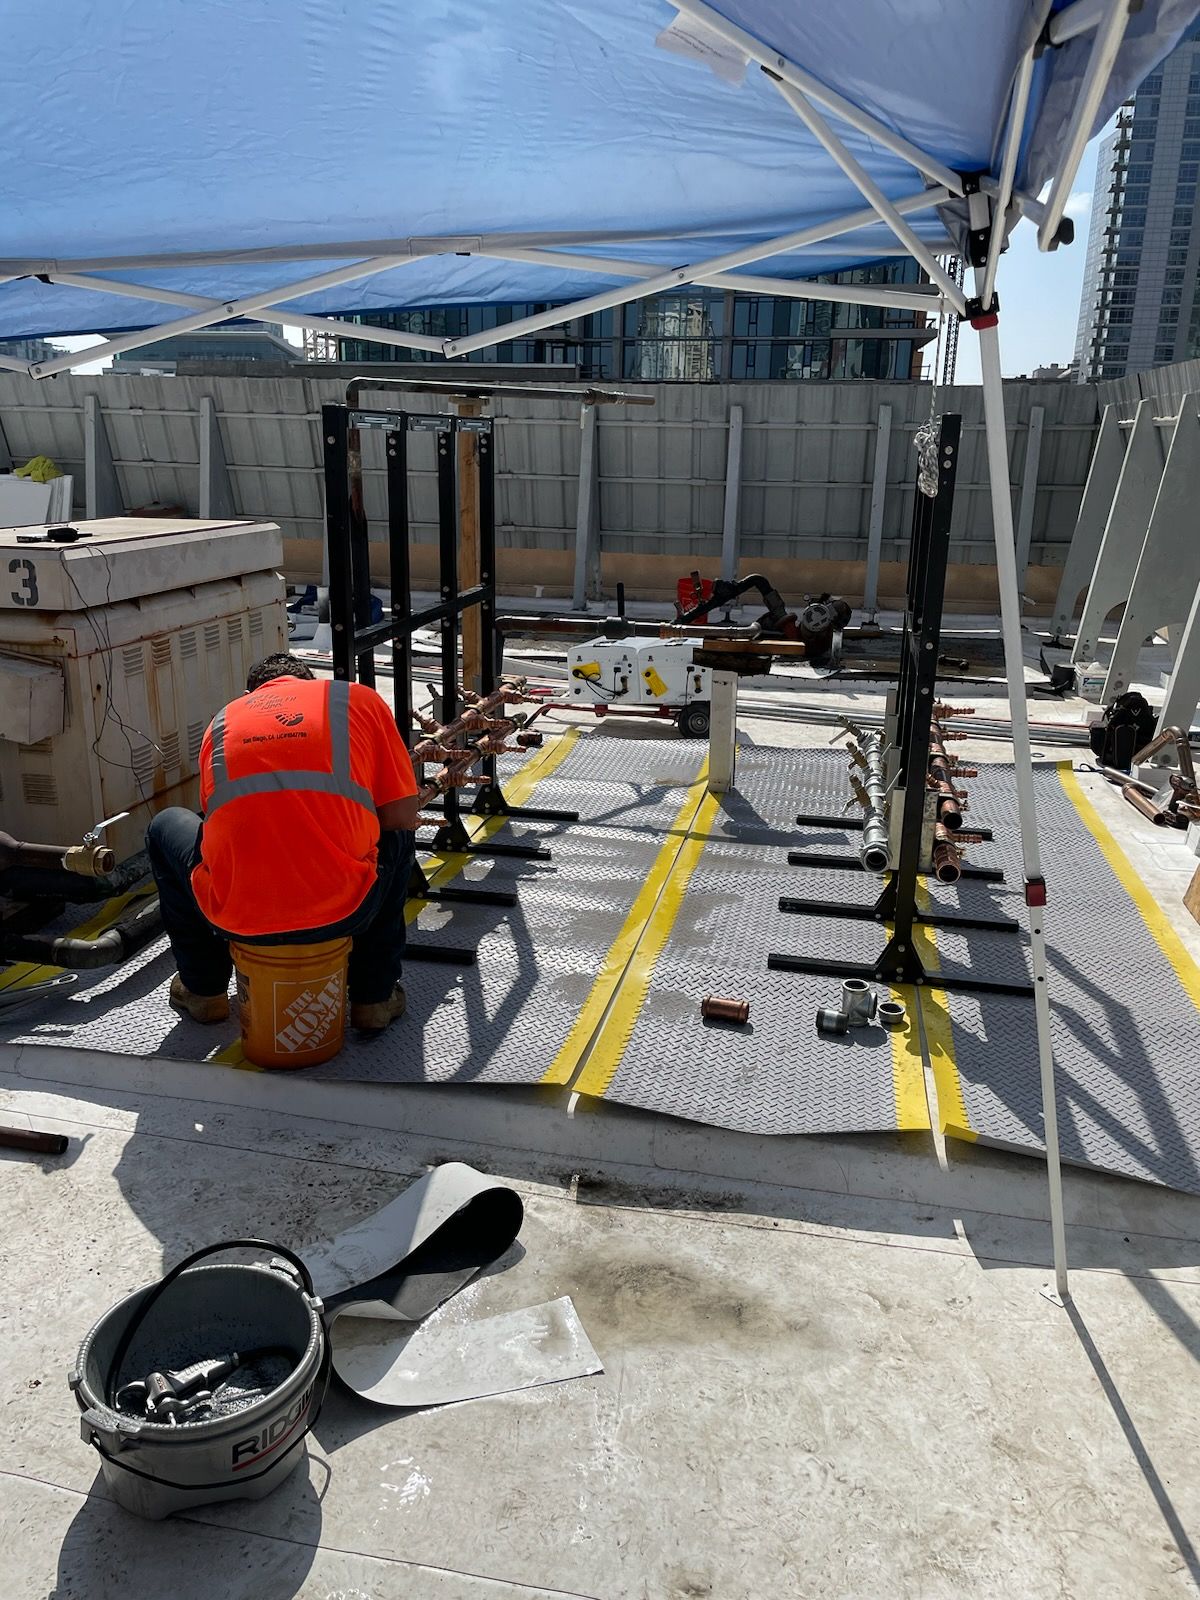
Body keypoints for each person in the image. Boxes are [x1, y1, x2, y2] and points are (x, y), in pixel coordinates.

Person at [147, 653, 419, 1033]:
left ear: (249, 694)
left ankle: (203, 991)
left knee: (166, 826)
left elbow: (214, 826)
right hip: (346, 908)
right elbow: (401, 816)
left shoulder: (222, 721)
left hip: (234, 917)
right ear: (309, 682)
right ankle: (374, 998)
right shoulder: (355, 699)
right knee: (397, 836)